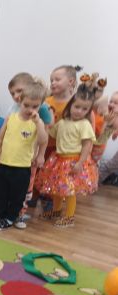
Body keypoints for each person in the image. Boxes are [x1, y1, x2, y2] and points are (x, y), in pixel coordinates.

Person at [0, 81, 48, 231]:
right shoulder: (10, 118)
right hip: (3, 164)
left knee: (17, 196)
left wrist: (38, 123)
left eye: (35, 106)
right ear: (20, 101)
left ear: (40, 106)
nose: (30, 109)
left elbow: (43, 140)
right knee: (0, 192)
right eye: (26, 105)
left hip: (21, 168)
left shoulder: (37, 123)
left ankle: (10, 218)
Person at [35, 84, 99, 228]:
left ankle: (69, 217)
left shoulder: (84, 124)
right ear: (70, 105)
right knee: (57, 189)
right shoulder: (62, 122)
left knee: (69, 191)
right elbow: (51, 132)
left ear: (88, 111)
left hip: (73, 162)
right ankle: (56, 211)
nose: (79, 111)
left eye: (84, 109)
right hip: (58, 160)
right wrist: (46, 120)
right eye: (77, 107)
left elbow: (87, 145)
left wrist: (80, 163)